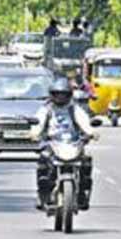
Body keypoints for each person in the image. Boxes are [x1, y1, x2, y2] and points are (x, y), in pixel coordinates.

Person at [31, 77, 99, 211]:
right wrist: (34, 133)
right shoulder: (47, 109)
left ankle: (83, 194)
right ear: (53, 95)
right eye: (58, 94)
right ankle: (43, 194)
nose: (60, 98)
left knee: (86, 161)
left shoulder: (74, 109)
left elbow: (84, 122)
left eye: (63, 95)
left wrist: (91, 132)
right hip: (52, 142)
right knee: (43, 161)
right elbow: (38, 122)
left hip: (72, 143)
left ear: (69, 95)